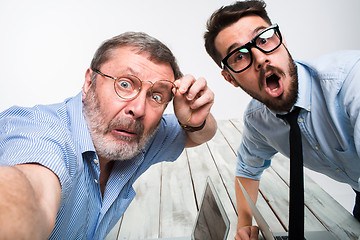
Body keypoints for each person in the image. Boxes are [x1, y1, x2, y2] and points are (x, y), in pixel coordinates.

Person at [0, 32, 217, 239]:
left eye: (156, 96)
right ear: (89, 82)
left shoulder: (136, 135)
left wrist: (193, 120)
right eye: (124, 84)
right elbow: (33, 192)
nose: (139, 109)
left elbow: (201, 134)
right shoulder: (42, 130)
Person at [204, 0, 360, 239]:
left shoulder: (351, 82)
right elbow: (247, 170)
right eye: (239, 55)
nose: (260, 59)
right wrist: (244, 225)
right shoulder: (259, 120)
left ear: (282, 41)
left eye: (264, 39)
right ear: (230, 79)